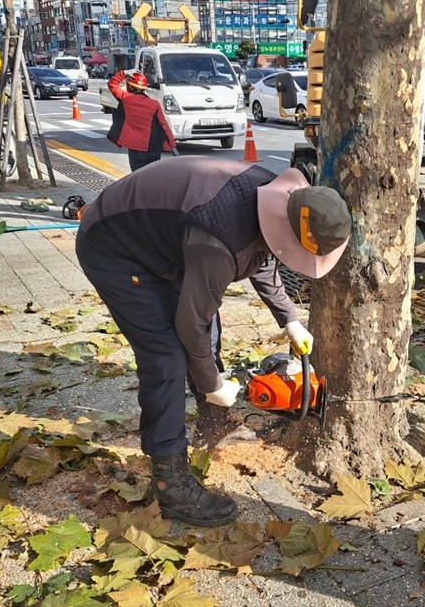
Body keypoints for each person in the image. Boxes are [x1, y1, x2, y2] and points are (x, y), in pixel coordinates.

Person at [75, 157, 352, 527]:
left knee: (209, 329)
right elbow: (192, 325)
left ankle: (212, 417)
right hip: (115, 248)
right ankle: (170, 483)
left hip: (167, 239)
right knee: (167, 357)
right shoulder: (220, 238)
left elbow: (265, 256)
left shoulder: (280, 201)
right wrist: (212, 383)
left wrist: (290, 319)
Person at [106, 70, 178, 172]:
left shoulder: (126, 98)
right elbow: (164, 125)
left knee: (137, 178)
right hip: (153, 148)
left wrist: (125, 72)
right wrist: (173, 146)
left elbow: (112, 84)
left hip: (136, 148)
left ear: (130, 86)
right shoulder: (154, 104)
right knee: (151, 178)